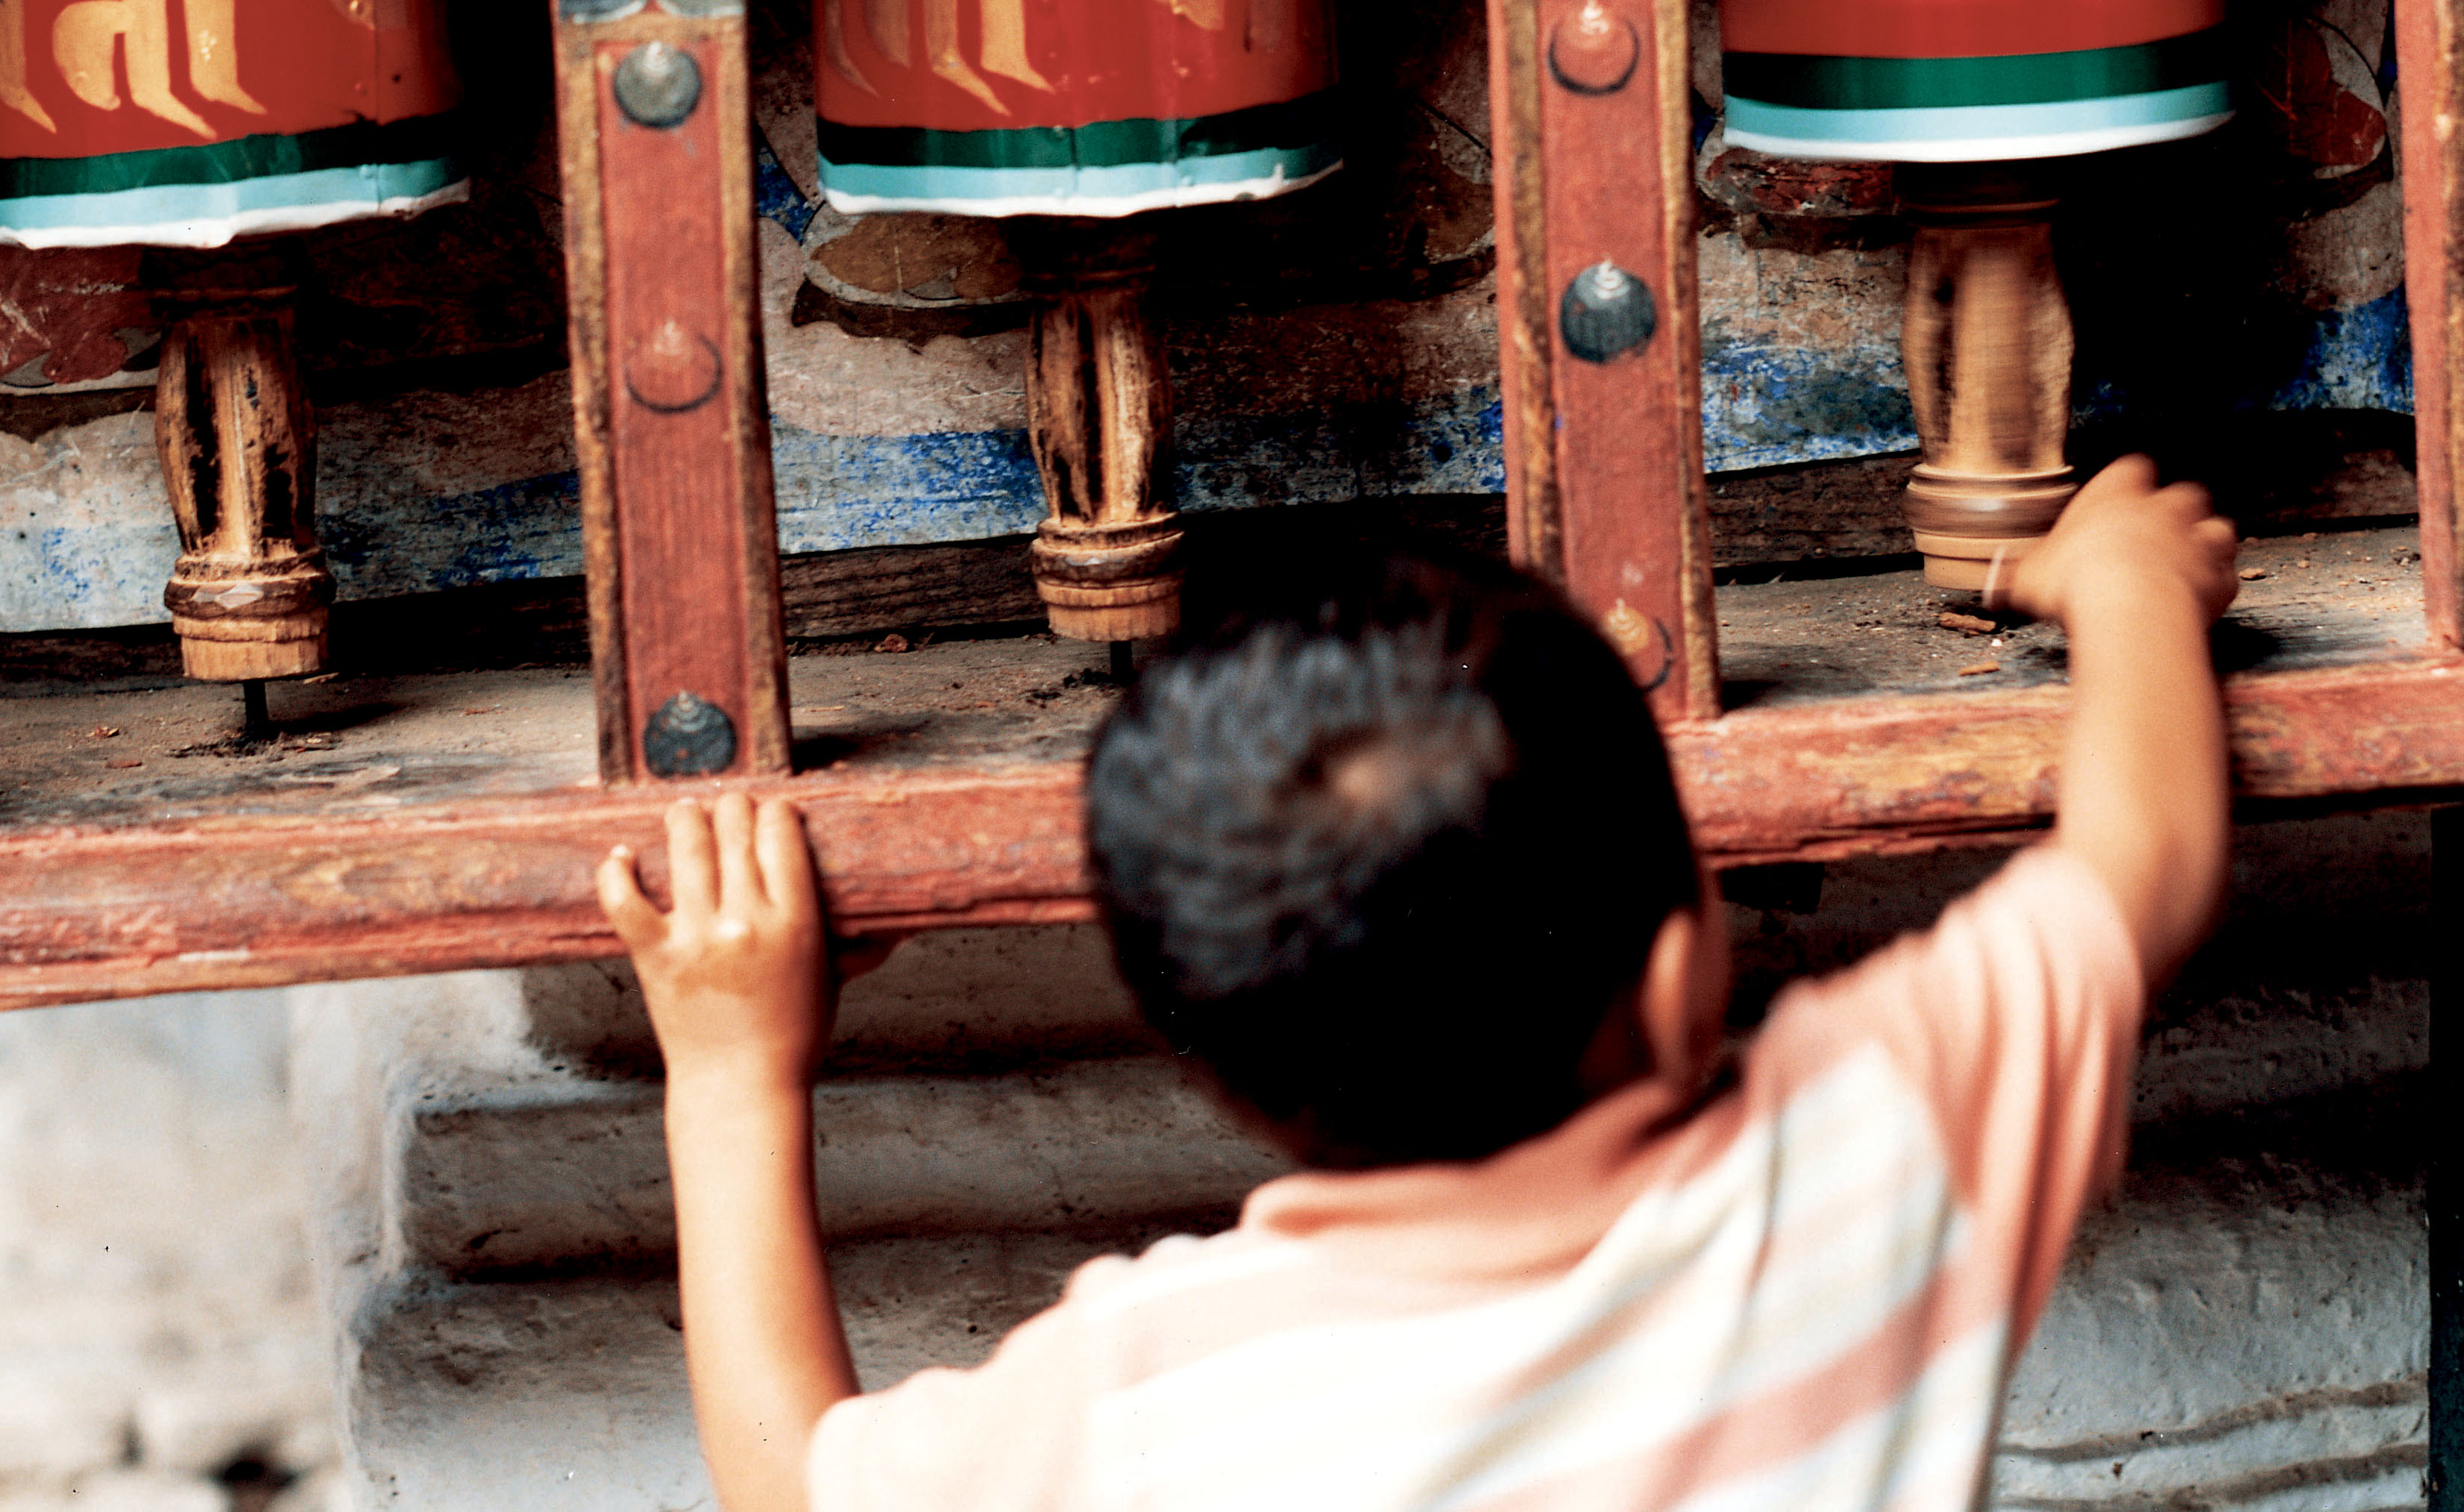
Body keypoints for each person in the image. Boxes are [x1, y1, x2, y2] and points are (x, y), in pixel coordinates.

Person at [597, 453, 2239, 1512]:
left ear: (1216, 1054)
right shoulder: (1866, 1154)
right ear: (1681, 980)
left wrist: (735, 1066)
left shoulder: (1154, 1397)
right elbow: (2143, 856)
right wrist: (2125, 581)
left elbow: (792, 1486)